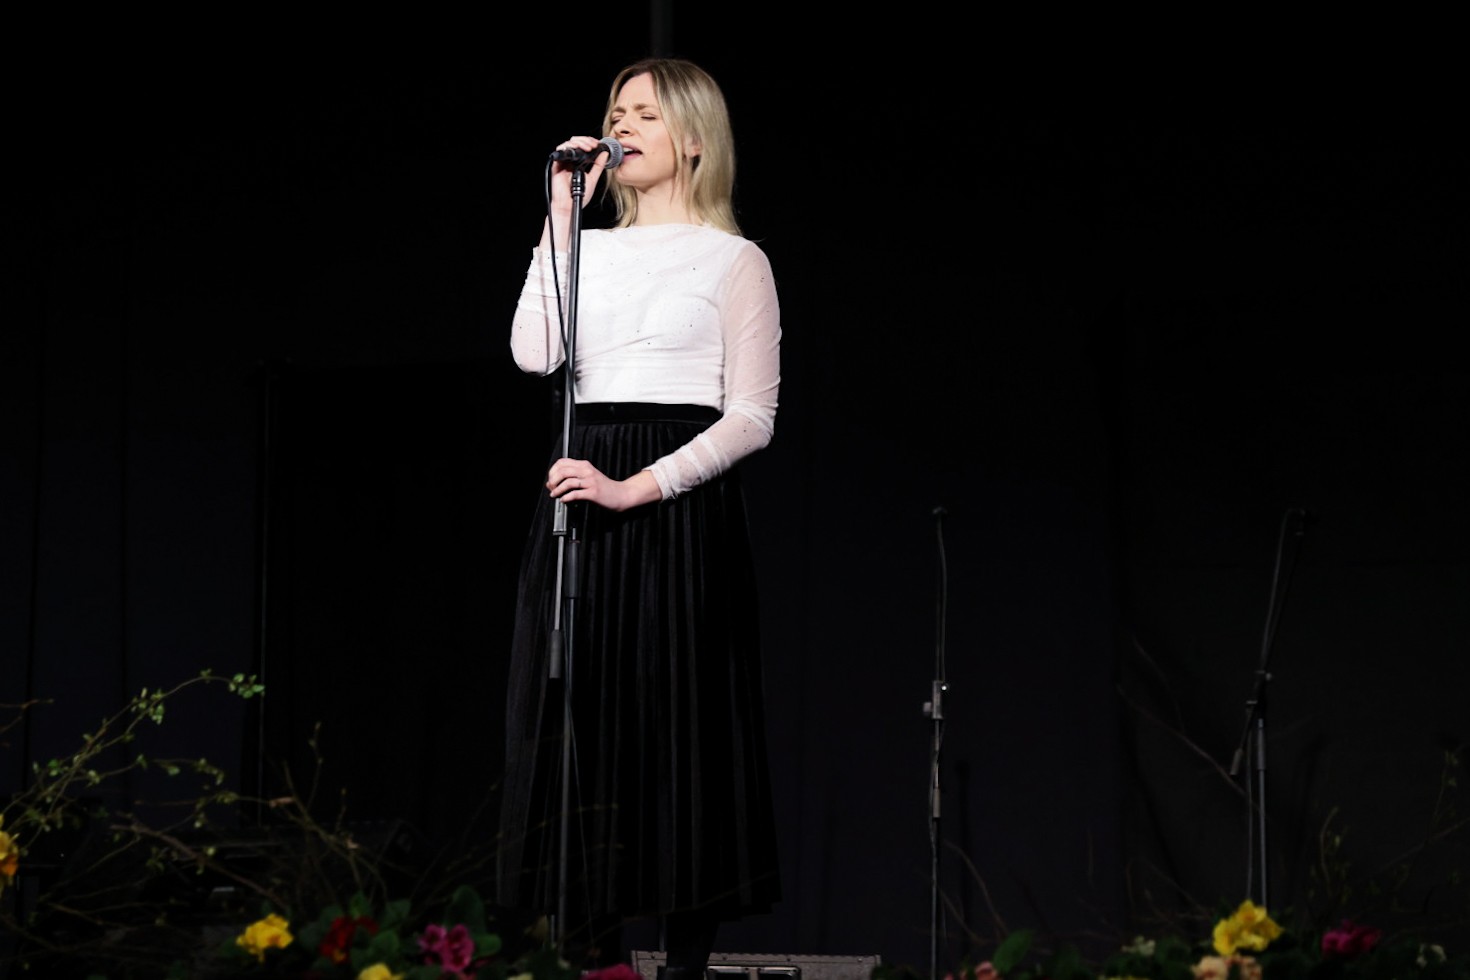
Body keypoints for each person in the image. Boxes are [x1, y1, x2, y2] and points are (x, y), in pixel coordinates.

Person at [496, 57, 782, 980]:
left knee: (680, 725)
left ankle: (685, 964)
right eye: (616, 111)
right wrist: (560, 217)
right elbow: (534, 354)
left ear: (693, 139)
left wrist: (638, 487)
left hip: (674, 511)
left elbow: (752, 416)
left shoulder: (735, 260)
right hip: (583, 499)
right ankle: (596, 958)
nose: (621, 126)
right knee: (581, 724)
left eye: (645, 114)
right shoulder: (587, 248)